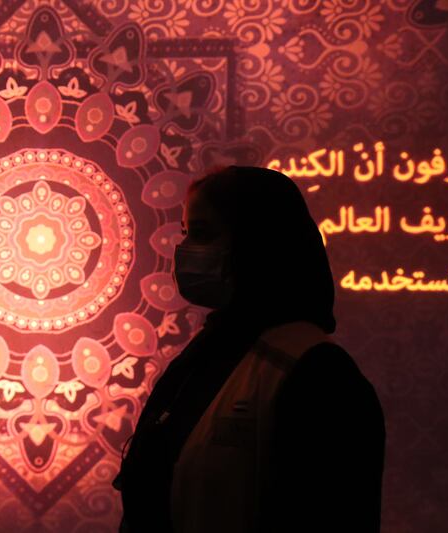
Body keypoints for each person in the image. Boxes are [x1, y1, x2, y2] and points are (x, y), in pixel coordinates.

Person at [111, 165, 385, 532]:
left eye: (204, 234)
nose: (185, 251)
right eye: (187, 234)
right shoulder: (214, 352)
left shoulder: (318, 374)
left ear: (259, 243)